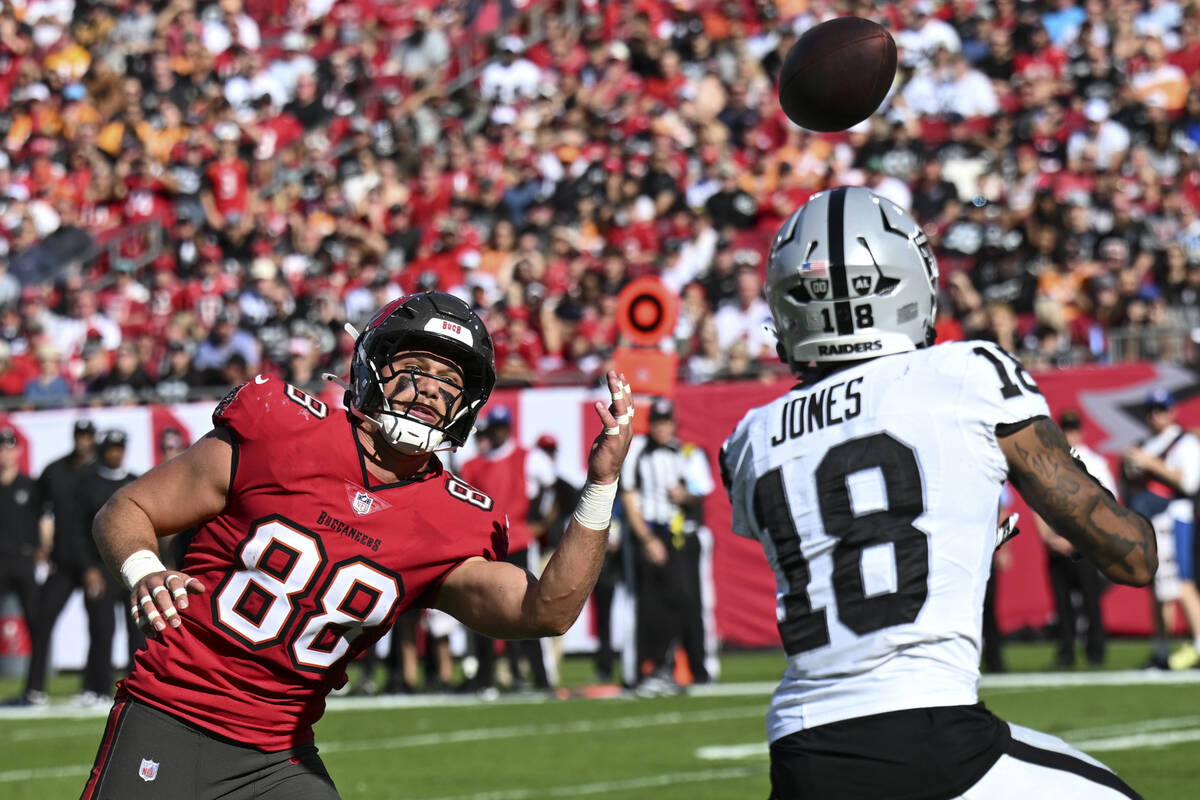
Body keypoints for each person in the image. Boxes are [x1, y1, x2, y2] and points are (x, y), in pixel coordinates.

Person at [81, 291, 633, 798]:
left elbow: (548, 611)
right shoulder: (281, 429)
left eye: (450, 381)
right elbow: (127, 508)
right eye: (415, 369)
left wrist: (602, 483)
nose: (431, 392)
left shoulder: (454, 518)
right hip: (170, 713)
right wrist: (143, 569)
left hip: (279, 753)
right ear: (372, 366)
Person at [721, 187, 1154, 800]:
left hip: (800, 751)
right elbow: (1131, 557)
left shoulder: (749, 438)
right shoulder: (966, 373)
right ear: (909, 282)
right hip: (927, 734)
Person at [458, 405, 559, 692]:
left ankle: (539, 678)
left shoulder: (529, 458)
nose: (499, 433)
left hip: (518, 541)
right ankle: (486, 678)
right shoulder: (473, 465)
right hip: (485, 546)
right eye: (495, 428)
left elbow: (555, 489)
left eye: (503, 427)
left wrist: (542, 524)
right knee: (483, 610)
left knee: (528, 609)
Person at [621, 397, 716, 694]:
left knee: (687, 602)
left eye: (667, 422)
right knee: (650, 606)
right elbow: (629, 498)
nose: (662, 428)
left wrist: (685, 495)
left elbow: (700, 492)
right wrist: (647, 539)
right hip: (652, 533)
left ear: (674, 424)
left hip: (681, 535)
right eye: (658, 422)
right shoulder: (638, 453)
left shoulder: (687, 453)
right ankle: (649, 668)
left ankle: (693, 667)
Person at [1121, 389, 1200, 670]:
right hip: (1149, 521)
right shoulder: (1145, 444)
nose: (1157, 416)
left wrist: (1149, 463)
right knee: (1156, 588)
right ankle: (1161, 649)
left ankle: (1198, 644)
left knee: (1182, 581)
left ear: (1172, 411)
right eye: (1152, 410)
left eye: (1162, 409)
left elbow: (1189, 483)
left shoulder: (1184, 443)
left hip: (1175, 517)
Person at [22, 419, 99, 707]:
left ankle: (93, 688)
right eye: (81, 435)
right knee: (42, 620)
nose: (84, 441)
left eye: (88, 436)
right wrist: (40, 543)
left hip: (93, 562)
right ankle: (34, 689)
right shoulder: (55, 470)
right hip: (63, 561)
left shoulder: (100, 472)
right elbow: (36, 508)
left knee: (99, 626)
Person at [1036, 410, 1115, 668]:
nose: (1069, 435)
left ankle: (1095, 651)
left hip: (1085, 544)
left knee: (1091, 601)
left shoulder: (1094, 462)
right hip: (1057, 542)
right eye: (1065, 430)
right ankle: (1066, 652)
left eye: (1073, 430)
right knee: (1062, 602)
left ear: (1080, 431)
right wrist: (1049, 537)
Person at [77, 429, 143, 693]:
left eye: (120, 448)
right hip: (102, 568)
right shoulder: (88, 485)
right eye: (111, 448)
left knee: (138, 630)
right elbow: (78, 532)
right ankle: (99, 688)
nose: (116, 453)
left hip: (133, 566)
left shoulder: (136, 482)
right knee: (102, 630)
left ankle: (137, 685)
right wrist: (88, 568)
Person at [0, 427, 43, 670]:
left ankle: (35, 683)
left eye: (8, 448)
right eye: (1, 448)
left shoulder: (30, 485)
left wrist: (43, 548)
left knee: (36, 621)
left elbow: (43, 521)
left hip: (24, 559)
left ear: (17, 451)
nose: (4, 454)